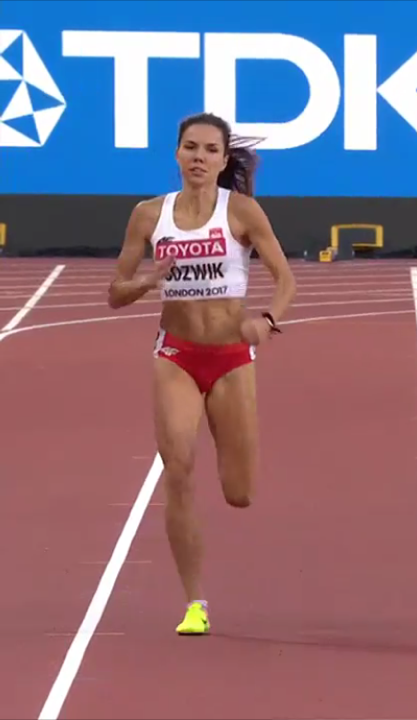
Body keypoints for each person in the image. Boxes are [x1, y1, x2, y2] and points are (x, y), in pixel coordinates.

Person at [106, 112, 298, 636]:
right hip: (176, 354)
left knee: (240, 492)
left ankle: (231, 497)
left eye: (210, 150)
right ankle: (195, 603)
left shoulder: (242, 211)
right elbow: (115, 293)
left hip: (232, 357)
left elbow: (285, 279)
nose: (199, 157)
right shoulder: (149, 215)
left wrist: (267, 321)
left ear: (223, 159)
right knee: (179, 468)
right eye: (190, 147)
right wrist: (148, 281)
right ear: (176, 153)